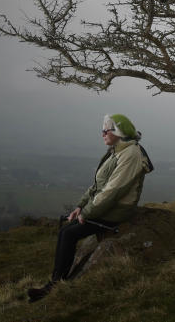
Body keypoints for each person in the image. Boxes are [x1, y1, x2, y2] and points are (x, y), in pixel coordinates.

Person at [28, 114, 153, 303]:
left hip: (117, 209)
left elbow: (114, 191)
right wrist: (80, 206)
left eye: (106, 130)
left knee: (69, 234)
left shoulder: (130, 154)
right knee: (66, 231)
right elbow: (97, 186)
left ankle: (54, 285)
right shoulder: (118, 150)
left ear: (118, 132)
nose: (102, 133)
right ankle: (55, 282)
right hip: (107, 205)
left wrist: (87, 212)